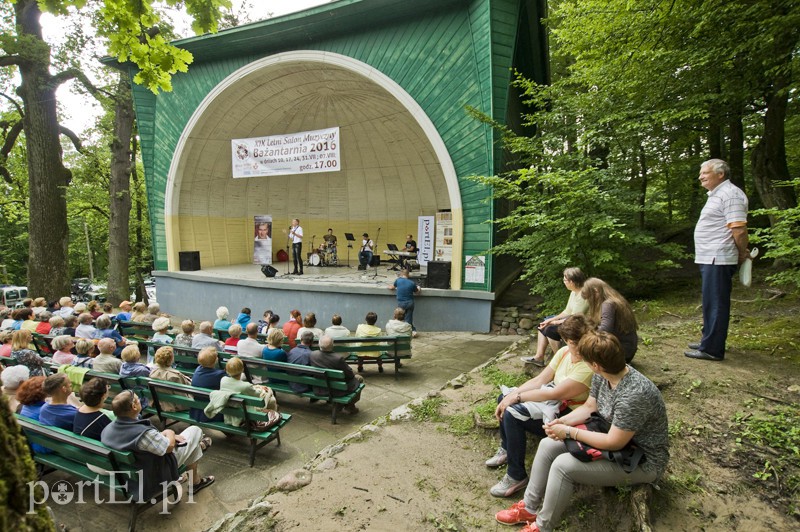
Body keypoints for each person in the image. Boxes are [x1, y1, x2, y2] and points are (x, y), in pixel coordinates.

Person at [494, 331, 669, 532]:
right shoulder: (603, 375)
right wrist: (561, 422)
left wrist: (569, 432)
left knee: (563, 466)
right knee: (547, 444)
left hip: (641, 460)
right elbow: (588, 407)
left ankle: (542, 527)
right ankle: (529, 507)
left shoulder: (634, 395)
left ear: (596, 365)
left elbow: (614, 442)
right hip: (616, 442)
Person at [486, 315, 594, 498]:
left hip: (570, 415)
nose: (575, 346)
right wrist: (512, 395)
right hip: (553, 403)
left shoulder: (588, 365)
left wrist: (518, 397)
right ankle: (506, 447)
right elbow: (541, 379)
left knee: (513, 414)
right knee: (503, 398)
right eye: (571, 342)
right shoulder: (565, 352)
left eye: (577, 342)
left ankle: (516, 475)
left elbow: (555, 393)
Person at [685, 159, 749, 362]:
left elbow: (738, 229)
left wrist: (741, 253)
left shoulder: (730, 194)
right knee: (710, 302)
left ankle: (712, 349)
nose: (700, 176)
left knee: (717, 303)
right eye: (700, 173)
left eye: (705, 173)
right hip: (710, 256)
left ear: (720, 174)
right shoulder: (718, 194)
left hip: (719, 257)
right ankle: (709, 339)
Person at [101, 389, 214, 501]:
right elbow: (168, 448)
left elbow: (146, 441)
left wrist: (162, 435)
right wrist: (170, 432)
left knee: (192, 446)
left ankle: (195, 482)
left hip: (128, 475)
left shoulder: (107, 430)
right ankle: (195, 481)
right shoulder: (144, 435)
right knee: (195, 431)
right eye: (137, 399)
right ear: (134, 407)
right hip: (153, 474)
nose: (140, 400)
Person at [523, 267, 589, 366]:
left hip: (582, 326)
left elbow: (575, 318)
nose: (564, 282)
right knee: (543, 325)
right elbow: (567, 311)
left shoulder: (584, 295)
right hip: (573, 322)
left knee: (550, 330)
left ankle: (560, 361)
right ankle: (539, 357)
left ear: (572, 281)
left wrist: (553, 322)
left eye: (565, 280)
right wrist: (551, 320)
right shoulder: (573, 292)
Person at [581, 278, 639, 363]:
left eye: (589, 297)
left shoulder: (608, 304)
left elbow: (605, 329)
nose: (588, 301)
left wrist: (585, 338)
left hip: (622, 352)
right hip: (627, 348)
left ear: (596, 291)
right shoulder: (614, 299)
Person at [310, 335, 363, 414]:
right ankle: (350, 406)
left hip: (319, 388)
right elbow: (350, 375)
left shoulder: (312, 355)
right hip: (336, 391)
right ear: (332, 345)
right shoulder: (338, 358)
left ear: (319, 344)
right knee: (359, 378)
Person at [149, 346, 192, 412]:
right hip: (174, 405)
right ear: (171, 359)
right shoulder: (175, 375)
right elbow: (183, 396)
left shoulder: (153, 372)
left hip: (159, 403)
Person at [190, 347, 226, 422]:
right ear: (216, 360)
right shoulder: (219, 375)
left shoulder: (197, 369)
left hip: (196, 411)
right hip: (211, 412)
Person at [388, 269, 421, 335]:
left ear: (401, 274)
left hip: (401, 303)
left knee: (399, 318)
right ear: (408, 275)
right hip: (410, 303)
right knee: (409, 319)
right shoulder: (412, 283)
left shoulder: (398, 280)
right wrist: (419, 287)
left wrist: (389, 286)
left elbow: (392, 287)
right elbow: (417, 292)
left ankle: (399, 332)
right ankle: (412, 331)